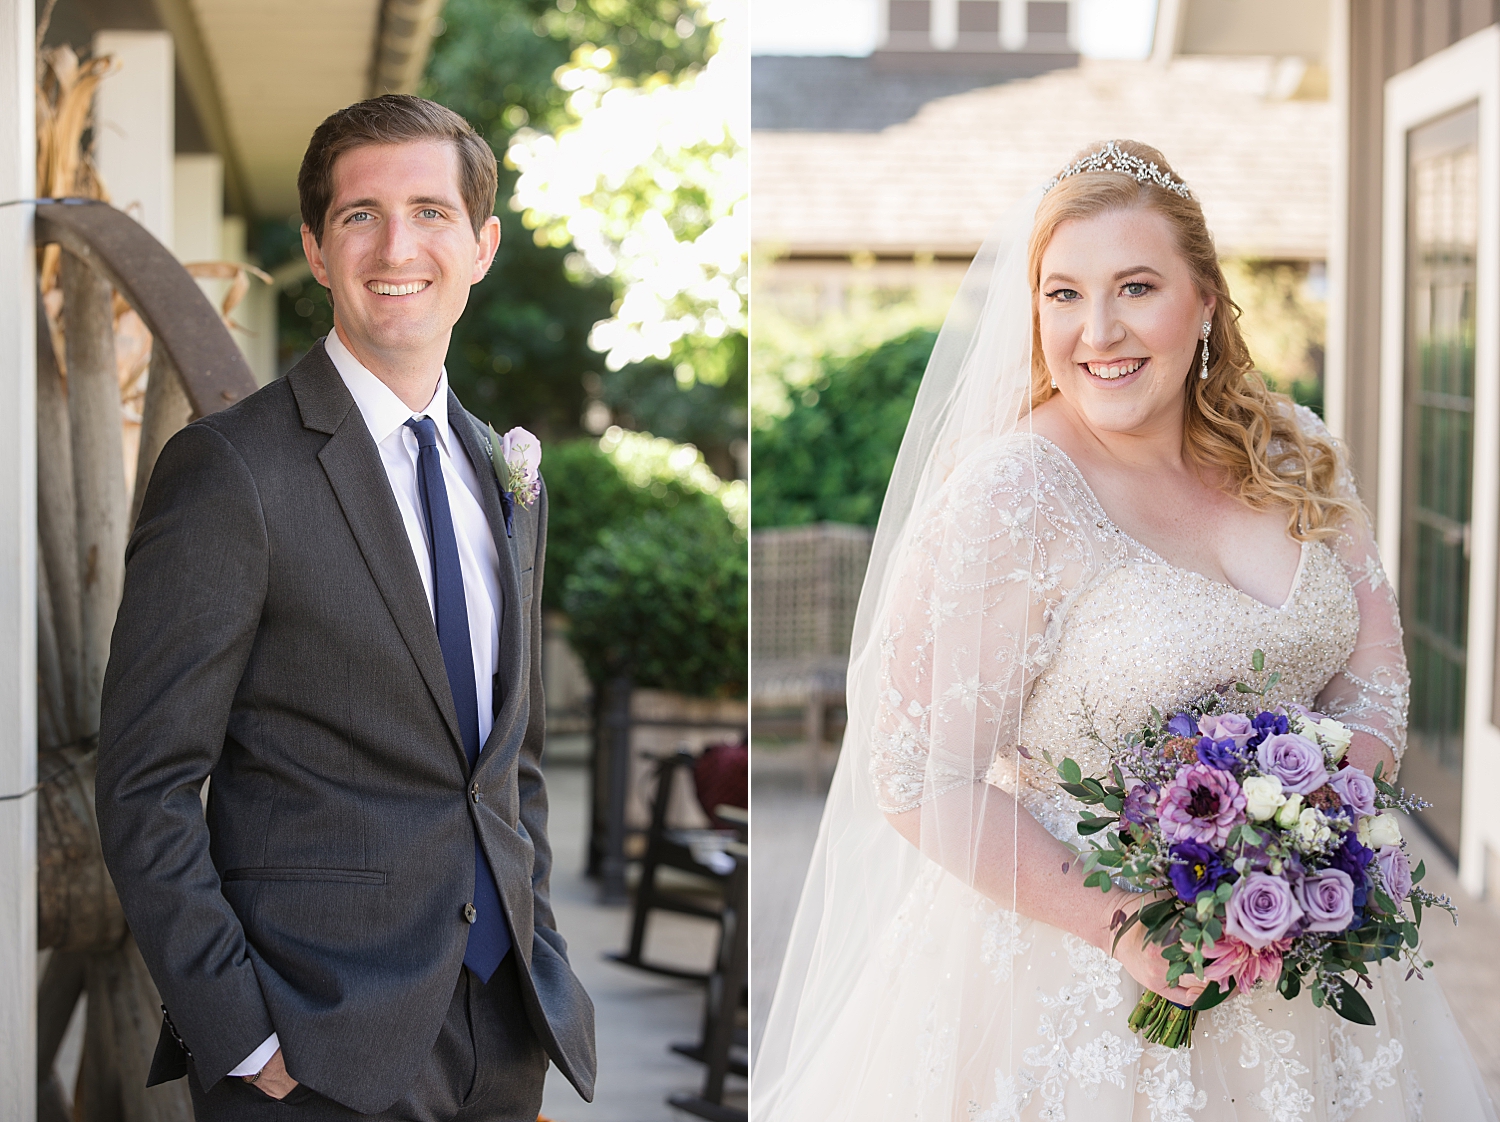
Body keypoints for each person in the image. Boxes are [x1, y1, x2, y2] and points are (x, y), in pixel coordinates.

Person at [752, 140, 1499, 1120]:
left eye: (1135, 287)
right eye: (1062, 294)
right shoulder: (1014, 493)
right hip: (1078, 988)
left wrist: (1308, 848)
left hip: (1304, 965)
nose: (1097, 330)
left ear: (1205, 303)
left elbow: (1373, 679)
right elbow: (913, 773)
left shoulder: (1297, 449)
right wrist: (1131, 925)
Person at [95, 95, 595, 1119]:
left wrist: (533, 970)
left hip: (501, 1034)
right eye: (361, 216)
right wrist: (240, 1032)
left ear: (482, 244)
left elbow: (513, 766)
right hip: (310, 1051)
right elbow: (146, 784)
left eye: (430, 211)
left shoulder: (501, 471)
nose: (396, 245)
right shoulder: (232, 471)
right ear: (318, 251)